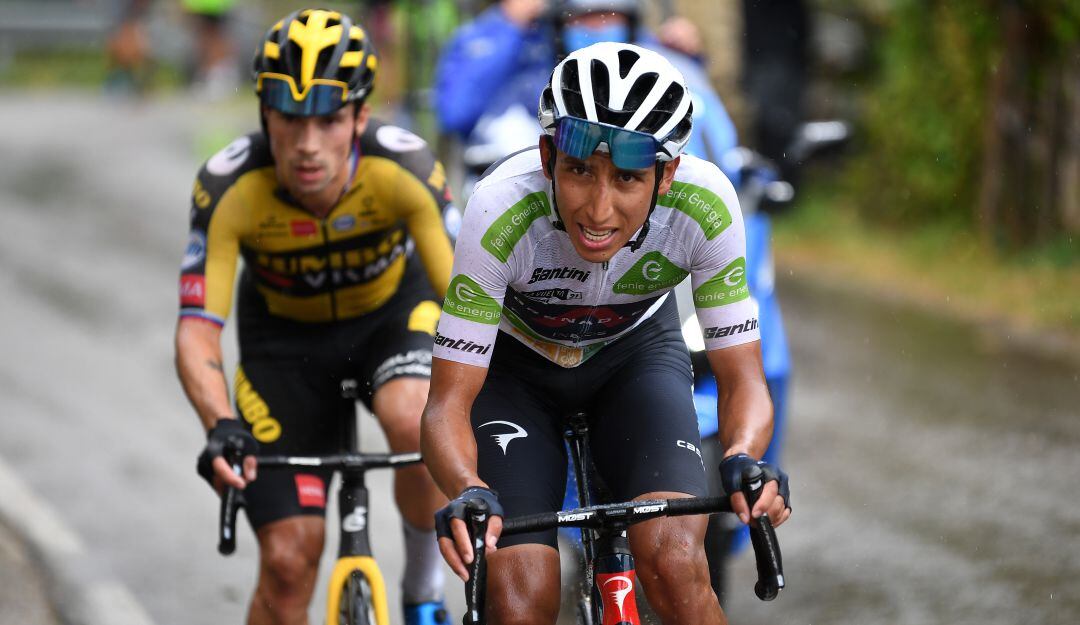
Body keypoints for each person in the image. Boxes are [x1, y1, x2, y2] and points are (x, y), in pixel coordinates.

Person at [421, 42, 791, 625]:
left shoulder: (706, 207)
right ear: (548, 157)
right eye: (578, 171)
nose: (598, 209)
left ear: (666, 175)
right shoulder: (498, 209)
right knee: (519, 600)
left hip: (636, 360)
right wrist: (466, 486)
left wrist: (746, 457)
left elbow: (742, 376)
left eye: (626, 178)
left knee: (675, 563)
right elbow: (446, 403)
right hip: (518, 377)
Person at [174, 9, 456, 625]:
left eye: (328, 120)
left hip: (392, 318)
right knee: (287, 559)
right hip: (285, 349)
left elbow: (467, 304)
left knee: (415, 418)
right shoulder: (228, 188)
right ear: (263, 115)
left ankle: (421, 588)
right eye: (289, 119)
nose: (306, 146)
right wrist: (219, 422)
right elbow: (197, 329)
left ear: (360, 116)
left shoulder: (404, 168)